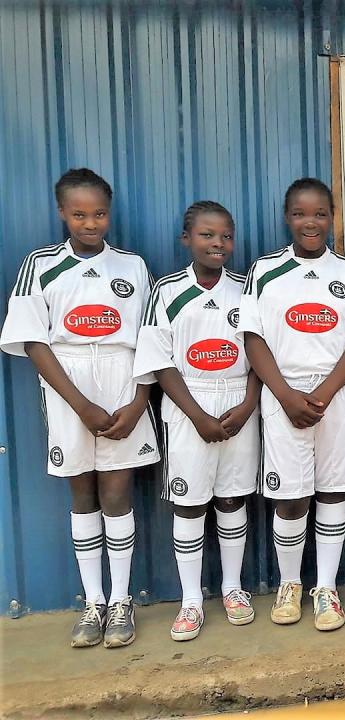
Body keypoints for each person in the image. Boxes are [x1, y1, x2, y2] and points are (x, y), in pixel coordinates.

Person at [0, 168, 158, 648]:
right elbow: (33, 340)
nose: (90, 223)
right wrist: (82, 405)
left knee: (117, 491)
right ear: (62, 213)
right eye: (79, 214)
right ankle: (94, 602)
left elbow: (152, 342)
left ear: (110, 213)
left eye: (99, 213)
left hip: (123, 383)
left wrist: (136, 403)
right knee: (83, 495)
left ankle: (121, 600)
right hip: (69, 390)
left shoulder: (132, 266)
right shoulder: (41, 264)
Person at [239, 178, 345, 630]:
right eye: (300, 213)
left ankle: (326, 588)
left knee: (334, 490)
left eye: (319, 213)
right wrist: (285, 395)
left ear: (332, 218)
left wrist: (326, 392)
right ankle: (291, 583)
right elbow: (253, 338)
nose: (310, 222)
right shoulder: (265, 270)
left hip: (334, 394)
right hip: (284, 395)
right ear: (287, 217)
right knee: (291, 497)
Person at [133, 201, 260, 641]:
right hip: (189, 405)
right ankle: (190, 600)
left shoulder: (247, 290)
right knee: (189, 503)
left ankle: (232, 589)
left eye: (226, 236)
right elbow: (159, 361)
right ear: (186, 239)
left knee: (231, 499)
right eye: (207, 235)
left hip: (239, 402)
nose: (218, 244)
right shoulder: (166, 291)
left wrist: (246, 406)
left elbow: (262, 354)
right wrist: (198, 416)